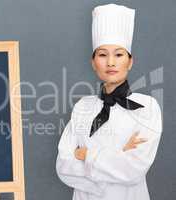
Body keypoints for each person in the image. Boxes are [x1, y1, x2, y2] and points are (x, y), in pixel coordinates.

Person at [55, 3, 163, 200]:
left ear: (130, 61)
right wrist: (120, 154)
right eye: (103, 54)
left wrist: (87, 155)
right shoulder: (82, 107)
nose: (111, 62)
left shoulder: (147, 108)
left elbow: (134, 169)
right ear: (93, 62)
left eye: (119, 54)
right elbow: (64, 165)